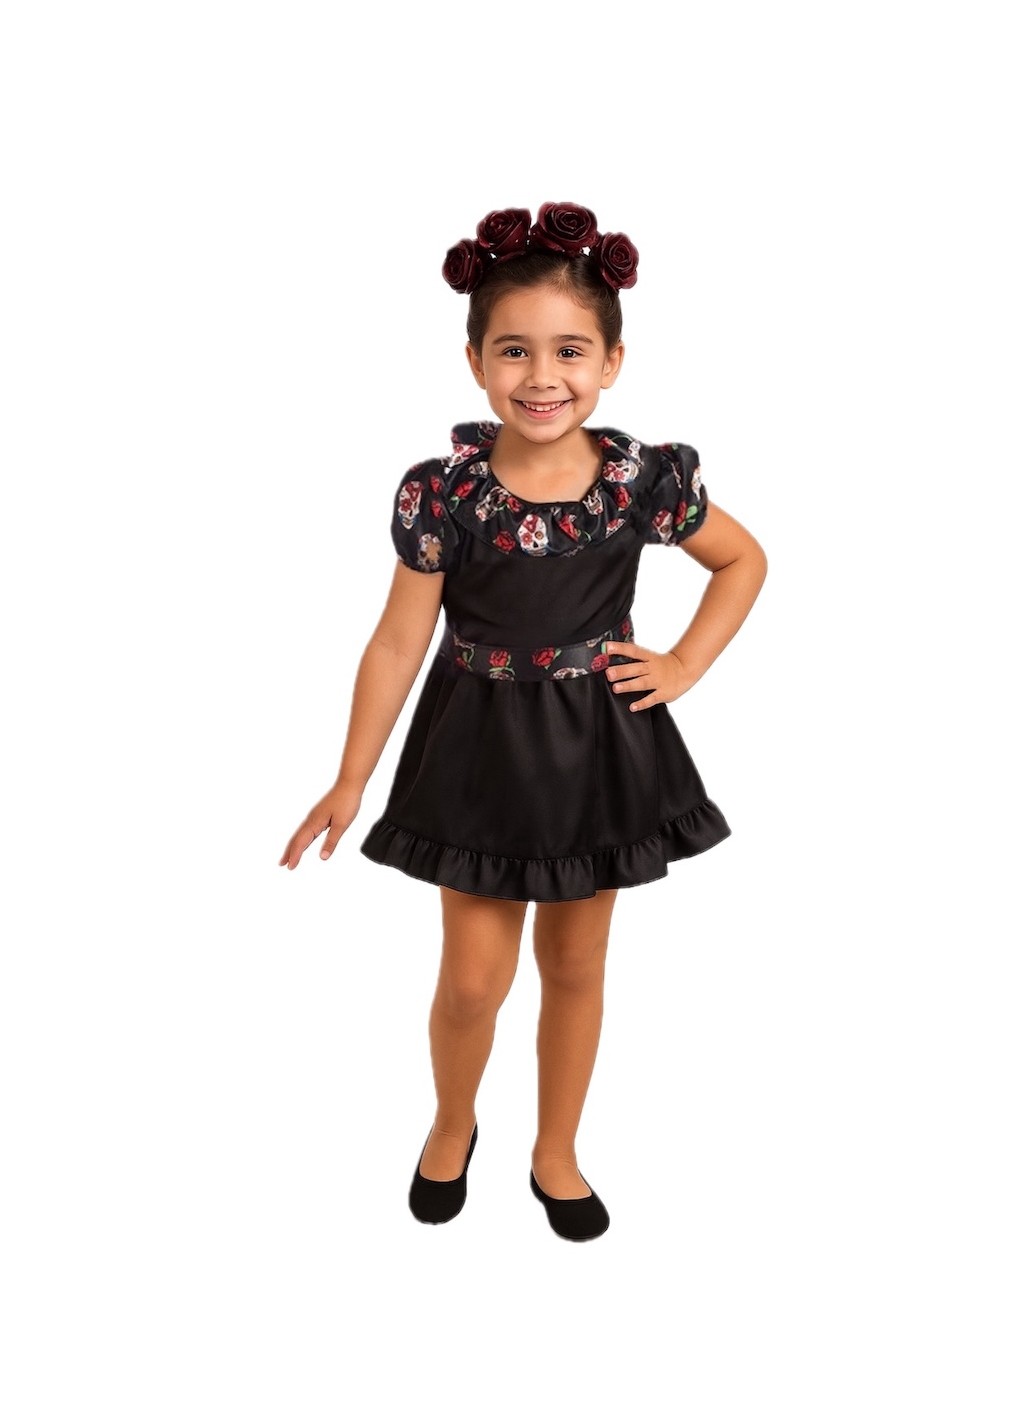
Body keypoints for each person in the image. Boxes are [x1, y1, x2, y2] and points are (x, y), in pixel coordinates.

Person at [279, 202, 768, 1242]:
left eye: (569, 351)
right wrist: (351, 777)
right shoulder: (445, 493)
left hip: (599, 748)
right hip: (479, 751)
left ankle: (556, 1151)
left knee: (576, 966)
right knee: (470, 980)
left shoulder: (637, 483)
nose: (542, 376)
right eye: (514, 350)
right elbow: (397, 642)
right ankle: (452, 1120)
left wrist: (683, 662)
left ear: (611, 362)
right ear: (475, 362)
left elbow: (741, 559)